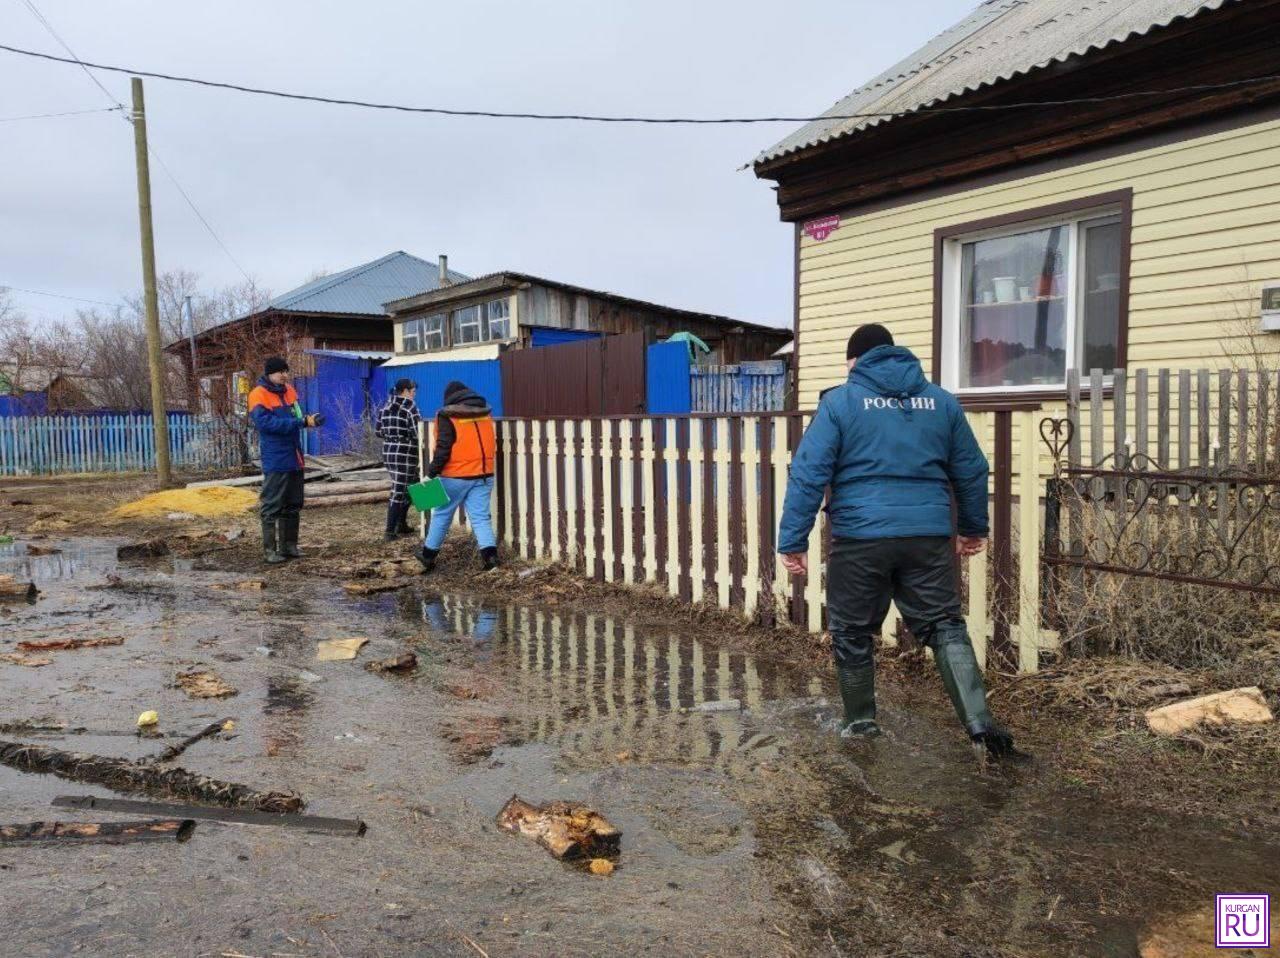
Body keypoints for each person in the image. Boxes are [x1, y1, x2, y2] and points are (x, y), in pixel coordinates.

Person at [777, 324, 1028, 762]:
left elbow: (809, 472)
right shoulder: (941, 402)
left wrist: (793, 539)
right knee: (944, 625)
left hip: (861, 538)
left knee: (853, 632)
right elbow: (971, 469)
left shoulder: (840, 402)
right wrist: (971, 528)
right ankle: (981, 725)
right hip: (926, 537)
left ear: (855, 361)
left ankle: (861, 725)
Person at [416, 380, 499, 573]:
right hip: (484, 474)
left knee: (442, 514)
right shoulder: (484, 413)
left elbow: (443, 449)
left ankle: (428, 557)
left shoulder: (447, 415)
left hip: (456, 475)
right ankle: (491, 560)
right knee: (480, 518)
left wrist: (431, 473)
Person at [247, 356, 323, 564]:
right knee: (272, 504)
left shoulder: (290, 391)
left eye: (286, 371)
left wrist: (309, 419)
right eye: (281, 372)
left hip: (294, 454)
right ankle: (270, 550)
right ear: (270, 373)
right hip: (276, 456)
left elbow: (297, 414)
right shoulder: (258, 395)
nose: (284, 375)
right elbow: (267, 424)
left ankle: (289, 546)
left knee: (293, 503)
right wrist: (299, 422)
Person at [376, 378, 422, 542]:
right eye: (413, 390)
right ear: (405, 391)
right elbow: (418, 433)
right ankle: (389, 531)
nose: (414, 393)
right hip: (406, 454)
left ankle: (401, 524)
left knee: (414, 485)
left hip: (389, 452)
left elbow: (378, 432)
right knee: (401, 490)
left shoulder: (385, 407)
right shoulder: (410, 407)